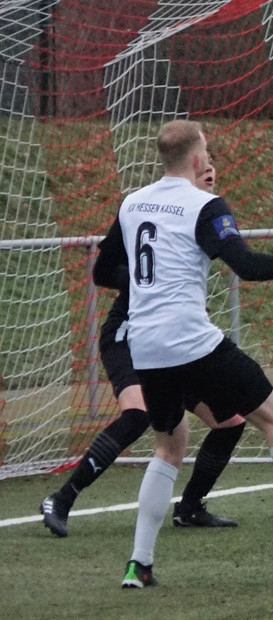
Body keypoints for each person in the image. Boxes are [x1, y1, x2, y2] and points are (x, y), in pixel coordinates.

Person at [93, 120, 273, 589]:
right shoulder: (205, 206)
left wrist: (153, 286)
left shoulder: (132, 203)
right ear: (197, 158)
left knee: (168, 448)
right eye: (207, 152)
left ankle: (139, 564)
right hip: (192, 342)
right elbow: (247, 266)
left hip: (145, 347)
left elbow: (104, 270)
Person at [40, 157, 244, 538]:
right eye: (202, 165)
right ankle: (60, 499)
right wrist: (145, 283)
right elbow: (102, 272)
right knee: (138, 414)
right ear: (183, 171)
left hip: (175, 346)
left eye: (213, 166)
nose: (210, 171)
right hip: (130, 335)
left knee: (230, 420)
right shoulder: (146, 211)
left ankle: (190, 507)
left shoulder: (204, 218)